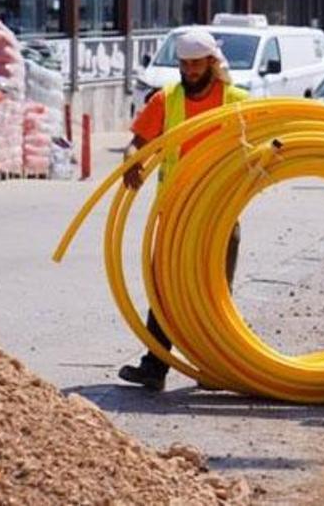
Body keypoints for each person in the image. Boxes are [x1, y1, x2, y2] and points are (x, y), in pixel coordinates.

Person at [117, 28, 249, 391]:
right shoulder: (167, 100)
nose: (190, 71)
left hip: (218, 214)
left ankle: (214, 368)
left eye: (196, 64)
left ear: (212, 62)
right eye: (185, 64)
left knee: (214, 293)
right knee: (164, 291)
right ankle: (154, 368)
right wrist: (132, 162)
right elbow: (136, 145)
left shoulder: (236, 101)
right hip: (175, 215)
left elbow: (261, 149)